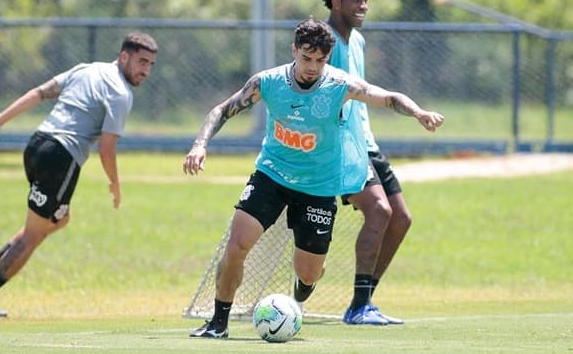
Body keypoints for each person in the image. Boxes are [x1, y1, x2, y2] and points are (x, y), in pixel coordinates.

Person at [183, 18, 444, 338]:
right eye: (306, 58)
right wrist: (200, 144)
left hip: (318, 188)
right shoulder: (268, 82)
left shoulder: (339, 85)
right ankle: (217, 322)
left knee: (308, 273)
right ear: (294, 50)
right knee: (237, 245)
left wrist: (418, 112)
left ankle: (304, 284)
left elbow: (387, 97)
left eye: (320, 60)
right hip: (271, 174)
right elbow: (222, 110)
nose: (312, 67)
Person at [0, 31, 158, 317]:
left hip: (35, 146)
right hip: (61, 158)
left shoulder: (86, 69)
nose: (145, 70)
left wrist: (0, 119)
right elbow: (107, 150)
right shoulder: (120, 94)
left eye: (151, 65)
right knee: (34, 235)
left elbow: (39, 93)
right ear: (124, 56)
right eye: (142, 62)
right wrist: (115, 184)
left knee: (57, 220)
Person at [323, 0, 416, 325]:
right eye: (356, 0)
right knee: (380, 212)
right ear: (336, 2)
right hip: (339, 147)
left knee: (401, 218)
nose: (363, 5)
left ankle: (364, 301)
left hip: (367, 142)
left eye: (366, 0)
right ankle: (358, 307)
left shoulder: (358, 41)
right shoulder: (323, 42)